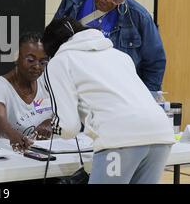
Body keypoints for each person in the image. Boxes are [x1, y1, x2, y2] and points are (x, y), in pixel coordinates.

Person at [41, 17, 175, 184]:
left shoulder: (59, 61)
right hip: (161, 134)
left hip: (120, 139)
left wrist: (54, 127)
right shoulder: (120, 56)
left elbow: (68, 128)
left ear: (52, 49)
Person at [54, 0, 165, 96]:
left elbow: (155, 62)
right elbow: (54, 38)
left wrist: (148, 99)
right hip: (73, 85)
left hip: (115, 93)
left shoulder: (139, 17)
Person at [0, 32, 53, 152]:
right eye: (31, 60)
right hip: (10, 152)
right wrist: (13, 135)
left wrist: (49, 123)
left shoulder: (47, 81)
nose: (37, 66)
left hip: (45, 151)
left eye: (42, 62)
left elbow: (65, 111)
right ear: (16, 57)